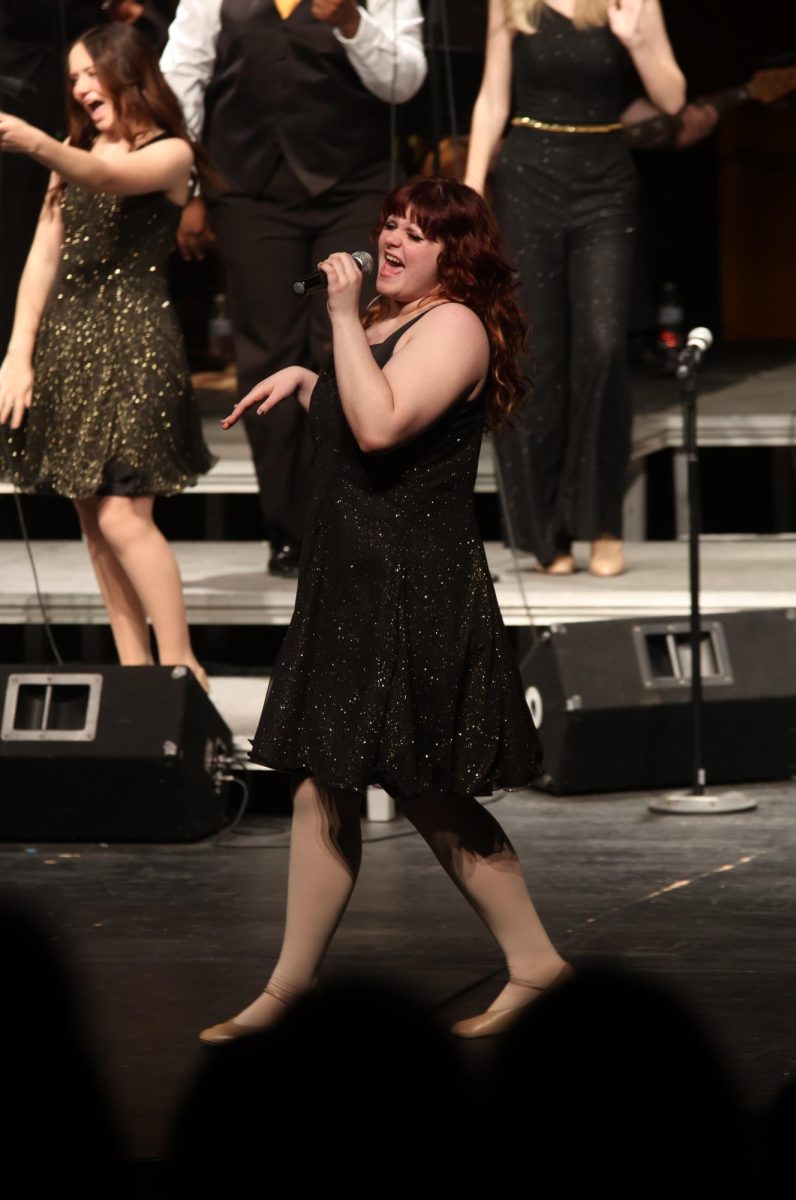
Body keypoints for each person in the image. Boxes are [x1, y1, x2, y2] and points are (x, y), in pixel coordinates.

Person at [198, 177, 572, 1046]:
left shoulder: (456, 325)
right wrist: (310, 376)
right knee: (324, 778)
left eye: (418, 232)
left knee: (428, 790)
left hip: (417, 587)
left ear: (457, 255)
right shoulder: (381, 324)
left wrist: (333, 325)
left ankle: (536, 963)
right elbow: (358, 397)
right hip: (352, 582)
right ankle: (289, 990)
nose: (392, 240)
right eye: (391, 224)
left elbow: (382, 424)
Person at [160, 0, 427, 577]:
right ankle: (290, 531)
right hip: (249, 191)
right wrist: (189, 187)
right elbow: (182, 79)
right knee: (269, 353)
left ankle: (361, 522)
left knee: (349, 346)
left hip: (351, 184)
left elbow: (406, 81)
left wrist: (352, 23)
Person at [0, 23, 215, 688]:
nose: (80, 87)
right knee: (92, 518)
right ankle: (135, 677)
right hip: (69, 344)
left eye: (89, 72)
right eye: (71, 79)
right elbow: (44, 252)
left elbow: (109, 175)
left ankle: (182, 669)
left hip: (135, 345)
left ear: (126, 71)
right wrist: (18, 353)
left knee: (125, 513)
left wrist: (28, 139)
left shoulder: (171, 152)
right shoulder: (74, 147)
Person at [465, 0, 685, 576]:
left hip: (605, 180)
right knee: (536, 352)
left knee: (606, 344)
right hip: (528, 175)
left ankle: (601, 520)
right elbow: (493, 94)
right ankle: (546, 530)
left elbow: (673, 98)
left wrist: (635, 41)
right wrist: (471, 186)